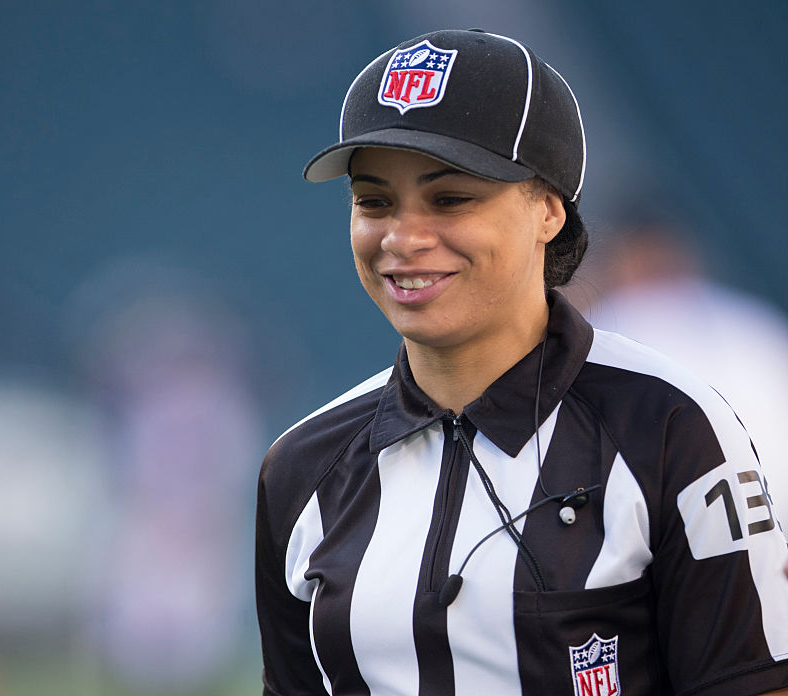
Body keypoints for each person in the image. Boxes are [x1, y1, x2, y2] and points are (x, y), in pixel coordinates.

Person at [254, 29, 788, 696]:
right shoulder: (302, 466)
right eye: (374, 201)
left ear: (548, 210)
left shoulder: (672, 429)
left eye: (450, 199)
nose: (403, 237)